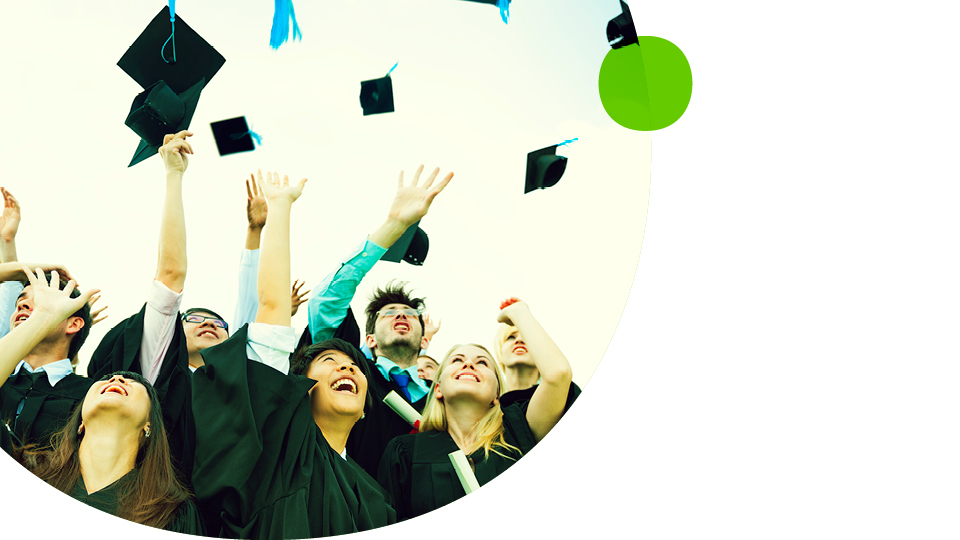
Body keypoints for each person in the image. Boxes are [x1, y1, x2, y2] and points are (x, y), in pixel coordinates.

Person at [191, 170, 396, 538]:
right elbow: (271, 310)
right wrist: (281, 208)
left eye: (353, 366)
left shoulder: (378, 500)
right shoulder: (272, 451)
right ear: (296, 389)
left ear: (367, 407)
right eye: (329, 362)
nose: (347, 367)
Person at [0, 268, 203, 534]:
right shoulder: (29, 472)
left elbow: (170, 275)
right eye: (107, 380)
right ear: (79, 421)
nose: (117, 381)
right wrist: (44, 317)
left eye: (133, 381)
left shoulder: (170, 512)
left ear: (150, 423)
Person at [87, 131, 226, 487]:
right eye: (195, 318)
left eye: (219, 322)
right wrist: (173, 176)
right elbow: (170, 277)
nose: (208, 324)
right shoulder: (154, 377)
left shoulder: (233, 390)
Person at [306, 164, 453, 478]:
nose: (401, 315)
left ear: (424, 336)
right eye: (389, 313)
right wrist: (394, 225)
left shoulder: (441, 397)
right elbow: (325, 301)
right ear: (369, 339)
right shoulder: (355, 371)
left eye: (410, 314)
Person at [377, 298, 573, 521]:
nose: (468, 364)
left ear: (497, 395)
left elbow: (558, 375)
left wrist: (519, 313)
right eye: (457, 360)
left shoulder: (519, 434)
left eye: (482, 362)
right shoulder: (405, 452)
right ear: (438, 388)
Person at [0, 261, 94, 449]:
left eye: (43, 300)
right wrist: (21, 269)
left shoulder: (90, 397)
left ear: (73, 324)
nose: (22, 304)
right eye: (20, 300)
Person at [492, 300, 582, 409]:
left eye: (526, 338)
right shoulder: (487, 404)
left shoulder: (565, 397)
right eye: (510, 337)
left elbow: (559, 374)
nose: (519, 340)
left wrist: (519, 312)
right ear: (499, 355)